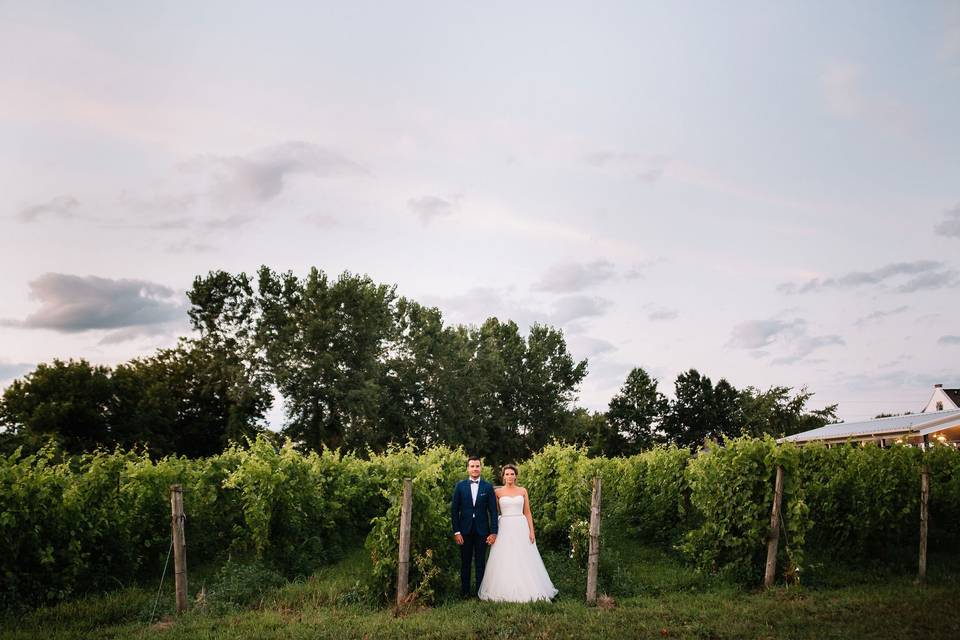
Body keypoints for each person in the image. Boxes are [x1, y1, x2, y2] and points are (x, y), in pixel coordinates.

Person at [478, 464, 557, 602]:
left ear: (516, 476)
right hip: (505, 526)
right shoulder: (498, 493)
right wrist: (493, 531)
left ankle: (529, 586)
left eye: (512, 474)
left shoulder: (522, 491)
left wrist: (532, 531)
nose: (510, 476)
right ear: (503, 477)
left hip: (520, 525)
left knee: (524, 556)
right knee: (505, 556)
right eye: (507, 474)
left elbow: (527, 512)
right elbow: (494, 512)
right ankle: (504, 588)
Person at [450, 456, 498, 598]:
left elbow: (493, 511)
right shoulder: (460, 486)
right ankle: (465, 592)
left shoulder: (487, 487)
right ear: (468, 468)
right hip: (464, 531)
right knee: (465, 562)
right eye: (472, 466)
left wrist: (494, 532)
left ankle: (480, 592)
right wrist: (456, 531)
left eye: (477, 466)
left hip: (482, 531)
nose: (475, 469)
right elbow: (454, 510)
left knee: (480, 563)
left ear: (480, 468)